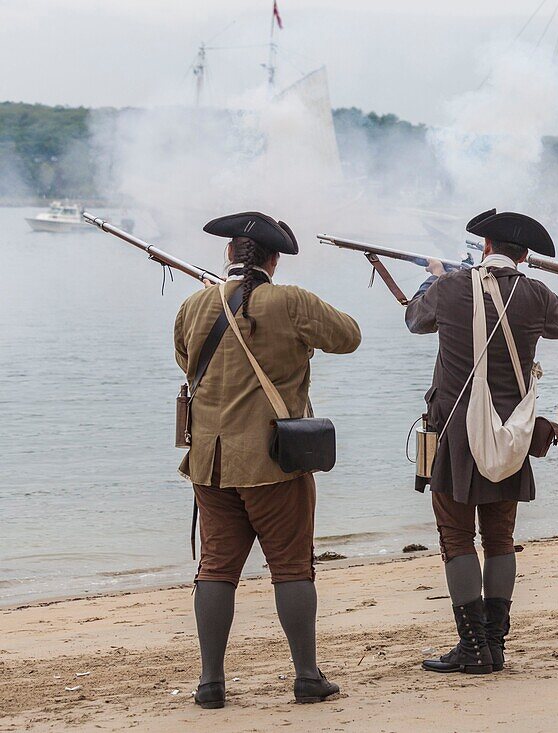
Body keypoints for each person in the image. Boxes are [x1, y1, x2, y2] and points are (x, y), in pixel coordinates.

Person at [176, 212, 362, 708]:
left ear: (230, 254)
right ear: (273, 259)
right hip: (274, 461)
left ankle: (210, 684)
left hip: (210, 463)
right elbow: (349, 336)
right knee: (291, 567)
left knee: (215, 568)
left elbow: (184, 359)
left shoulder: (197, 303)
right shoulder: (291, 300)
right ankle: (306, 676)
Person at [406, 209, 558, 674]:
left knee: (456, 537)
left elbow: (415, 320)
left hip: (453, 432)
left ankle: (474, 647)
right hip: (511, 433)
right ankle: (495, 645)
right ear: (523, 255)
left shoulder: (452, 287)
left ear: (484, 247)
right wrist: (524, 282)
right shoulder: (534, 293)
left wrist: (435, 278)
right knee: (500, 538)